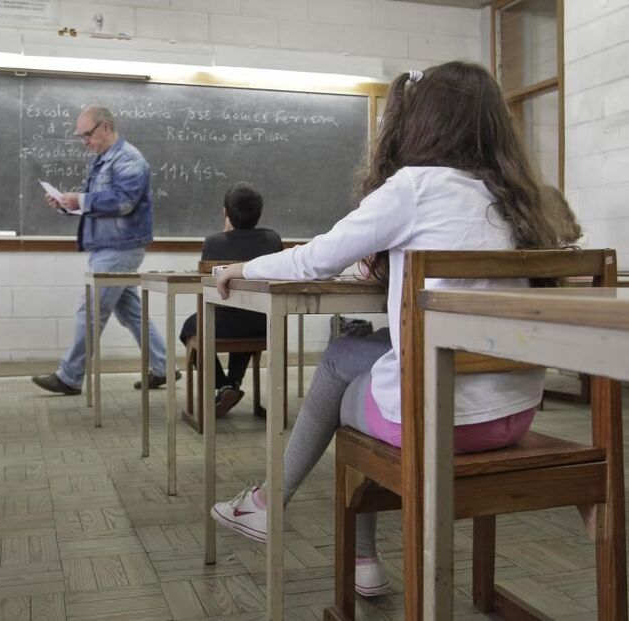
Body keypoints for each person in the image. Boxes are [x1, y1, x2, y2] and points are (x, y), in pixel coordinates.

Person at [207, 61, 579, 597]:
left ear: (423, 121)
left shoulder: (415, 187)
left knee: (341, 373)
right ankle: (319, 534)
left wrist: (240, 267)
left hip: (444, 422)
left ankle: (286, 512)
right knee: (358, 355)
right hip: (514, 413)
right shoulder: (520, 198)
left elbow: (315, 259)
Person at [32, 105, 176, 396]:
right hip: (109, 246)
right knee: (132, 313)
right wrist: (66, 205)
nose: (84, 141)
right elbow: (96, 205)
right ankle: (164, 367)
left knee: (90, 310)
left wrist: (81, 200)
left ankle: (70, 376)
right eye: (81, 136)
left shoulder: (129, 159)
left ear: (106, 127)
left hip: (120, 248)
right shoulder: (104, 159)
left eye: (87, 134)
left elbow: (124, 202)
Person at [179, 181, 282, 417]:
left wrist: (227, 234)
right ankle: (233, 383)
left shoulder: (214, 242)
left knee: (189, 328)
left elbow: (209, 288)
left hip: (224, 323)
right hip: (264, 323)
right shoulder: (272, 239)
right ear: (259, 212)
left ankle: (223, 384)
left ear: (226, 213)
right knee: (247, 315)